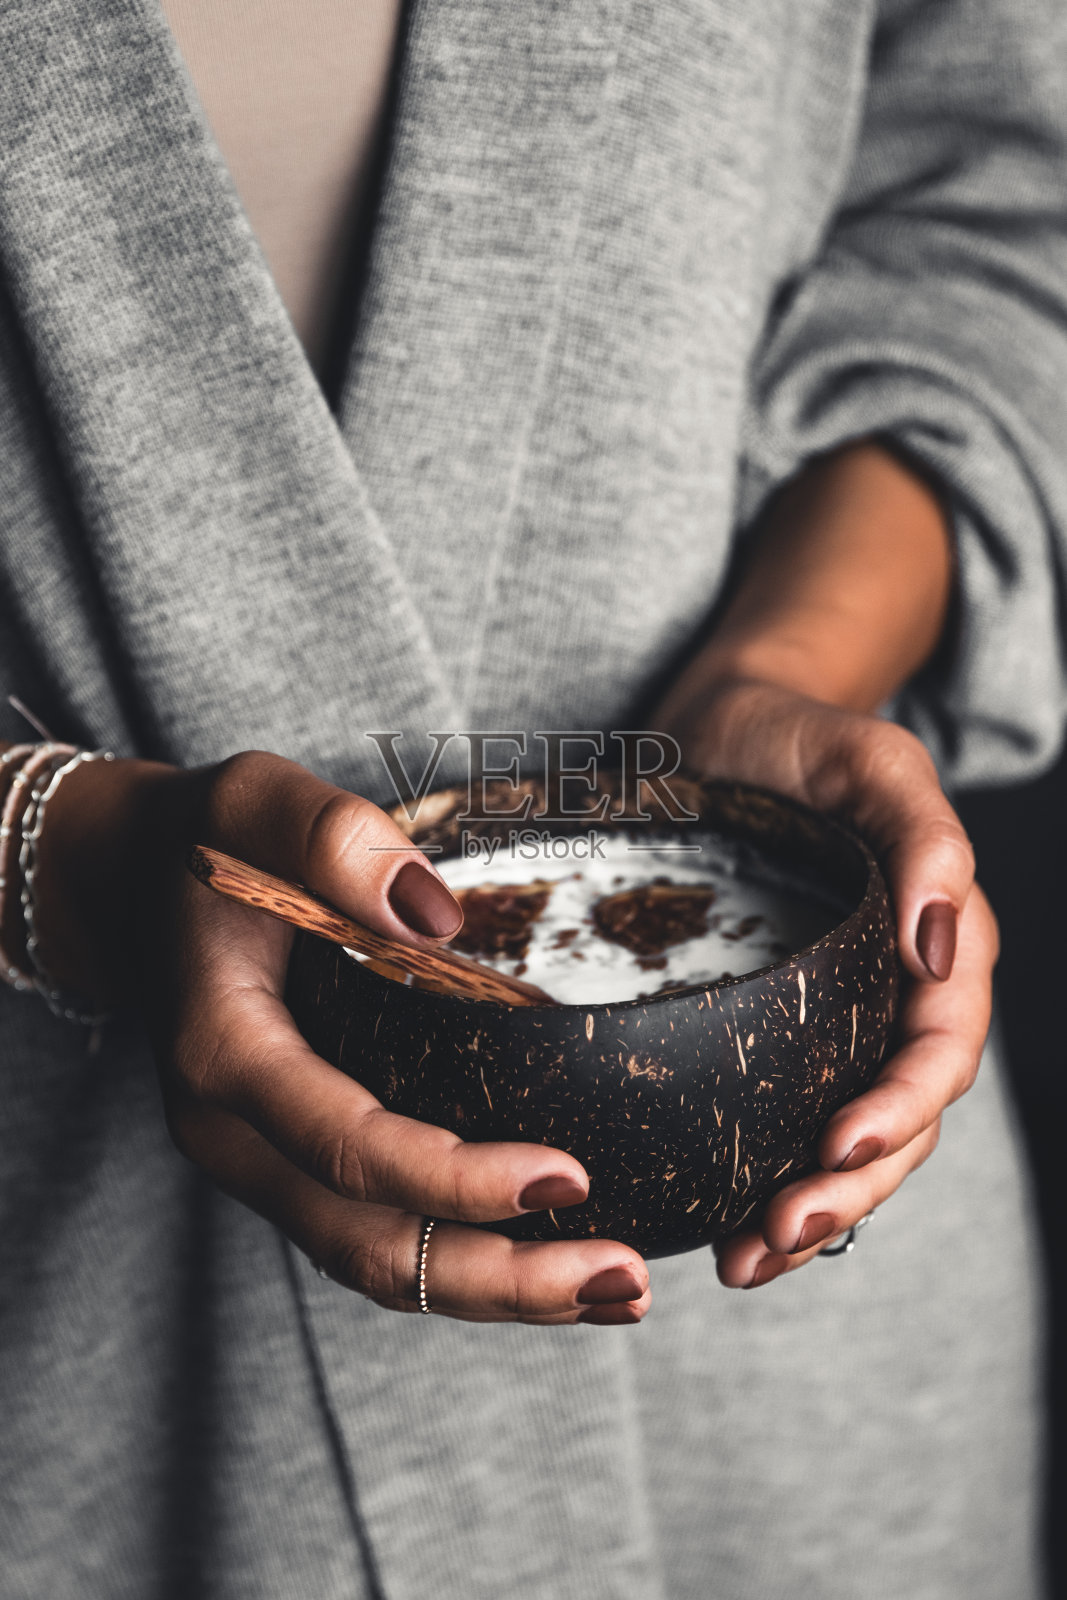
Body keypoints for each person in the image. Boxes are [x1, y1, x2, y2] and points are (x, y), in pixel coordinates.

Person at [1, 0, 1064, 1594]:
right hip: (91, 1402)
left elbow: (994, 226)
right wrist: (59, 854)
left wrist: (790, 663)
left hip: (798, 1390)